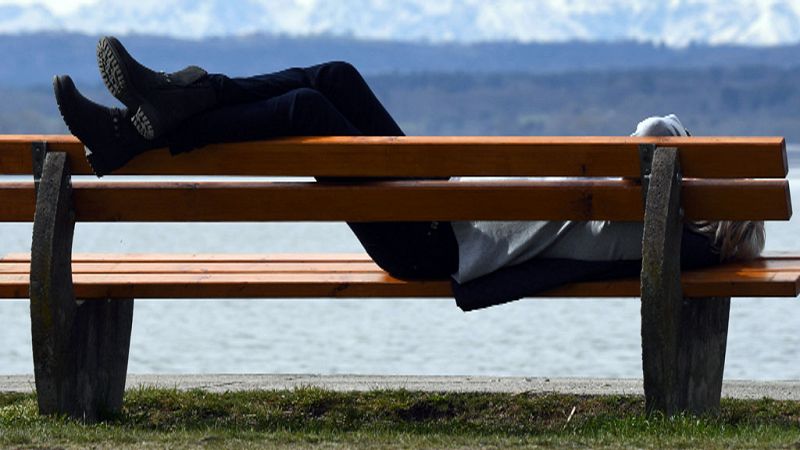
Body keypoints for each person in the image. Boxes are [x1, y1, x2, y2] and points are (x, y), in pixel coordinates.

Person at [54, 36, 766, 310]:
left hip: (428, 243)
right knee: (335, 74)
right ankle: (172, 107)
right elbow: (657, 150)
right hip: (435, 210)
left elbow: (652, 133)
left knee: (307, 105)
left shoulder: (661, 231)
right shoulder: (647, 215)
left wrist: (685, 145)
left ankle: (140, 130)